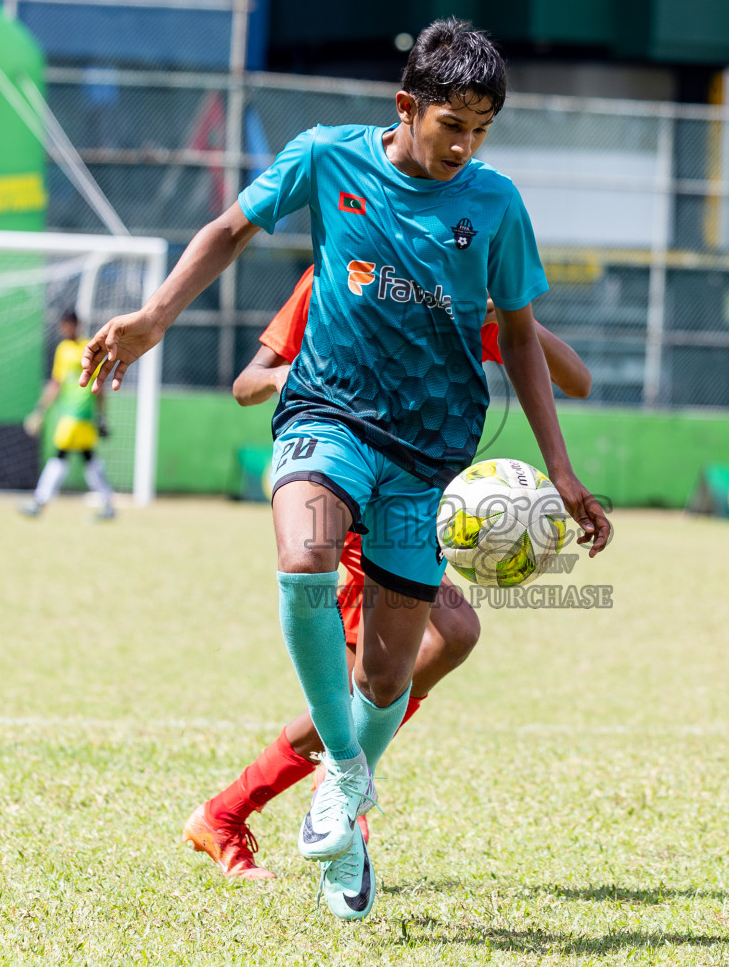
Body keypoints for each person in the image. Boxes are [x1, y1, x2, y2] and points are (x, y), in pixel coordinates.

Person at [79, 18, 612, 921]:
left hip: (427, 457)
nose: (465, 147)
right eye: (453, 126)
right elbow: (227, 231)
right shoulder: (328, 167)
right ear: (407, 107)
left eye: (482, 131)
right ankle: (326, 785)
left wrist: (558, 470)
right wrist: (153, 318)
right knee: (303, 560)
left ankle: (340, 784)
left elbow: (530, 342)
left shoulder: (492, 212)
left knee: (393, 677)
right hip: (327, 421)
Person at [183, 266, 592, 880]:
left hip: (411, 507)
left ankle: (278, 799)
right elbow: (246, 382)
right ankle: (283, 802)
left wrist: (502, 312)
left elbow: (577, 379)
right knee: (411, 660)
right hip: (344, 506)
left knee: (413, 660)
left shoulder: (449, 294)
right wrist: (282, 376)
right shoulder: (335, 273)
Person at [20, 311, 115, 521]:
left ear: (76, 325)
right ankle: (108, 504)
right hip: (70, 413)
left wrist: (102, 416)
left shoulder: (88, 347)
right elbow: (56, 383)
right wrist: (41, 410)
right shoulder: (62, 350)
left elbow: (100, 383)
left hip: (80, 414)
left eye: (68, 324)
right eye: (63, 325)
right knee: (87, 458)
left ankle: (39, 502)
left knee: (61, 456)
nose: (64, 329)